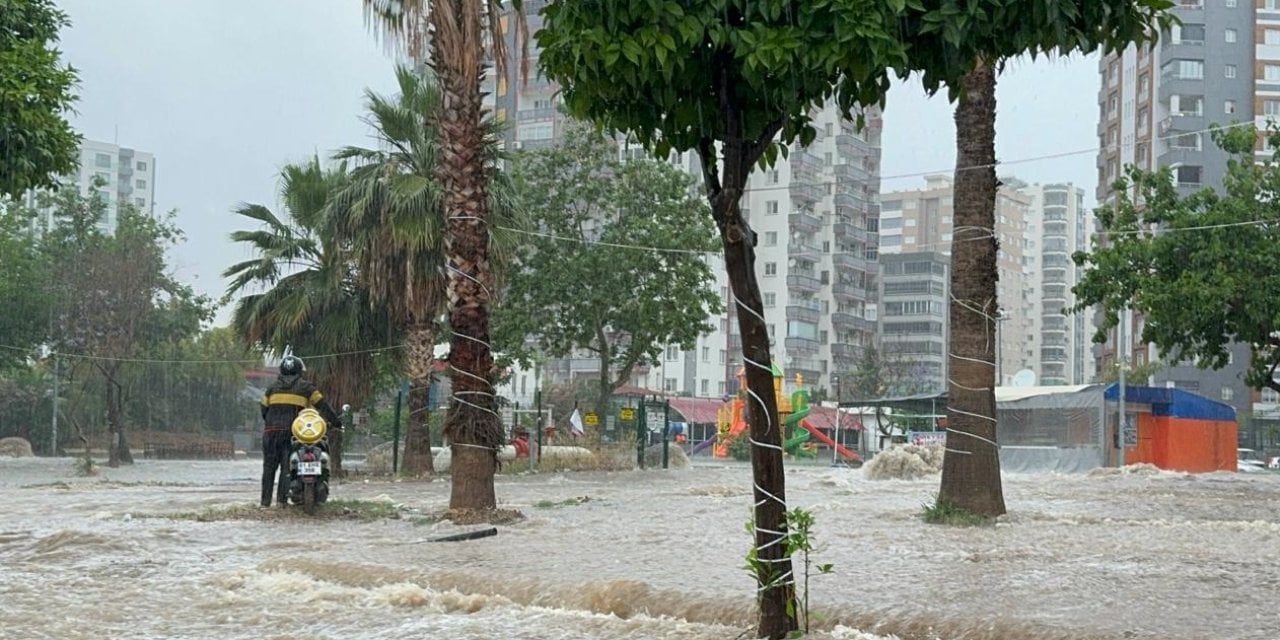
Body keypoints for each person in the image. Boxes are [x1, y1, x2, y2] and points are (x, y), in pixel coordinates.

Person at [259, 354, 341, 508]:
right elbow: (323, 406)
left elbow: (263, 410)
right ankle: (281, 503)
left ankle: (264, 504)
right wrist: (336, 422)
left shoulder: (271, 389)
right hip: (292, 433)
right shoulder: (306, 387)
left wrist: (271, 423)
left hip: (270, 433)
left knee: (268, 468)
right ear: (299, 371)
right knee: (287, 467)